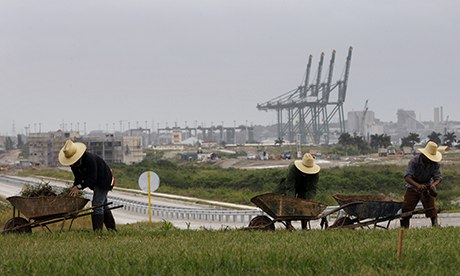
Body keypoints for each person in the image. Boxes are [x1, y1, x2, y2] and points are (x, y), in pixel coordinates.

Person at [58, 139, 116, 232]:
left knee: (97, 205)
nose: (70, 164)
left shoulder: (89, 159)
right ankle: (112, 229)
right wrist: (74, 187)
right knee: (103, 205)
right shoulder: (74, 165)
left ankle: (97, 231)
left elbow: (92, 179)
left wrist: (79, 187)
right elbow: (78, 177)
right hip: (95, 181)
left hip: (103, 180)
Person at [400, 141, 442, 228]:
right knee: (406, 208)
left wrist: (433, 184)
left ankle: (435, 225)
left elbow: (438, 178)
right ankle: (404, 228)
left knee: (431, 208)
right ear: (424, 155)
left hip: (427, 186)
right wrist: (417, 186)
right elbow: (407, 177)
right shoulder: (414, 162)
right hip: (413, 186)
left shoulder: (435, 164)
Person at [275, 153, 320, 230]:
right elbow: (290, 186)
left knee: (304, 204)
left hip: (304, 188)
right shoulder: (293, 169)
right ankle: (288, 225)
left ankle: (304, 227)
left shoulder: (315, 174)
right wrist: (291, 201)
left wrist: (309, 201)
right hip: (291, 185)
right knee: (287, 203)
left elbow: (312, 188)